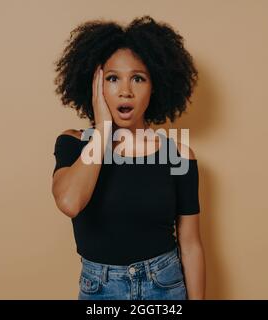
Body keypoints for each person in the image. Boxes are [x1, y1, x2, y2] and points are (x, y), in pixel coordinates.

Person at [51, 15, 205, 300]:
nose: (125, 91)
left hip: (165, 287)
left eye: (138, 78)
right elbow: (70, 202)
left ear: (154, 85)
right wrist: (103, 128)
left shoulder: (180, 155)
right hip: (101, 291)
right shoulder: (73, 144)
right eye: (112, 79)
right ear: (95, 86)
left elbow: (191, 244)